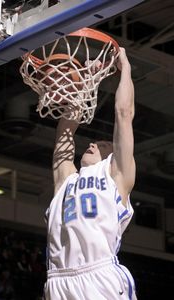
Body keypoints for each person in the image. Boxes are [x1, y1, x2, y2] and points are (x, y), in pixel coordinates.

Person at [44, 47, 137, 300]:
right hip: (58, 280)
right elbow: (64, 133)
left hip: (100, 276)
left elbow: (124, 114)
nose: (93, 144)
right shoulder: (66, 180)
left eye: (103, 144)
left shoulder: (116, 176)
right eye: (94, 142)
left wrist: (124, 68)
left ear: (112, 156)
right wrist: (87, 82)